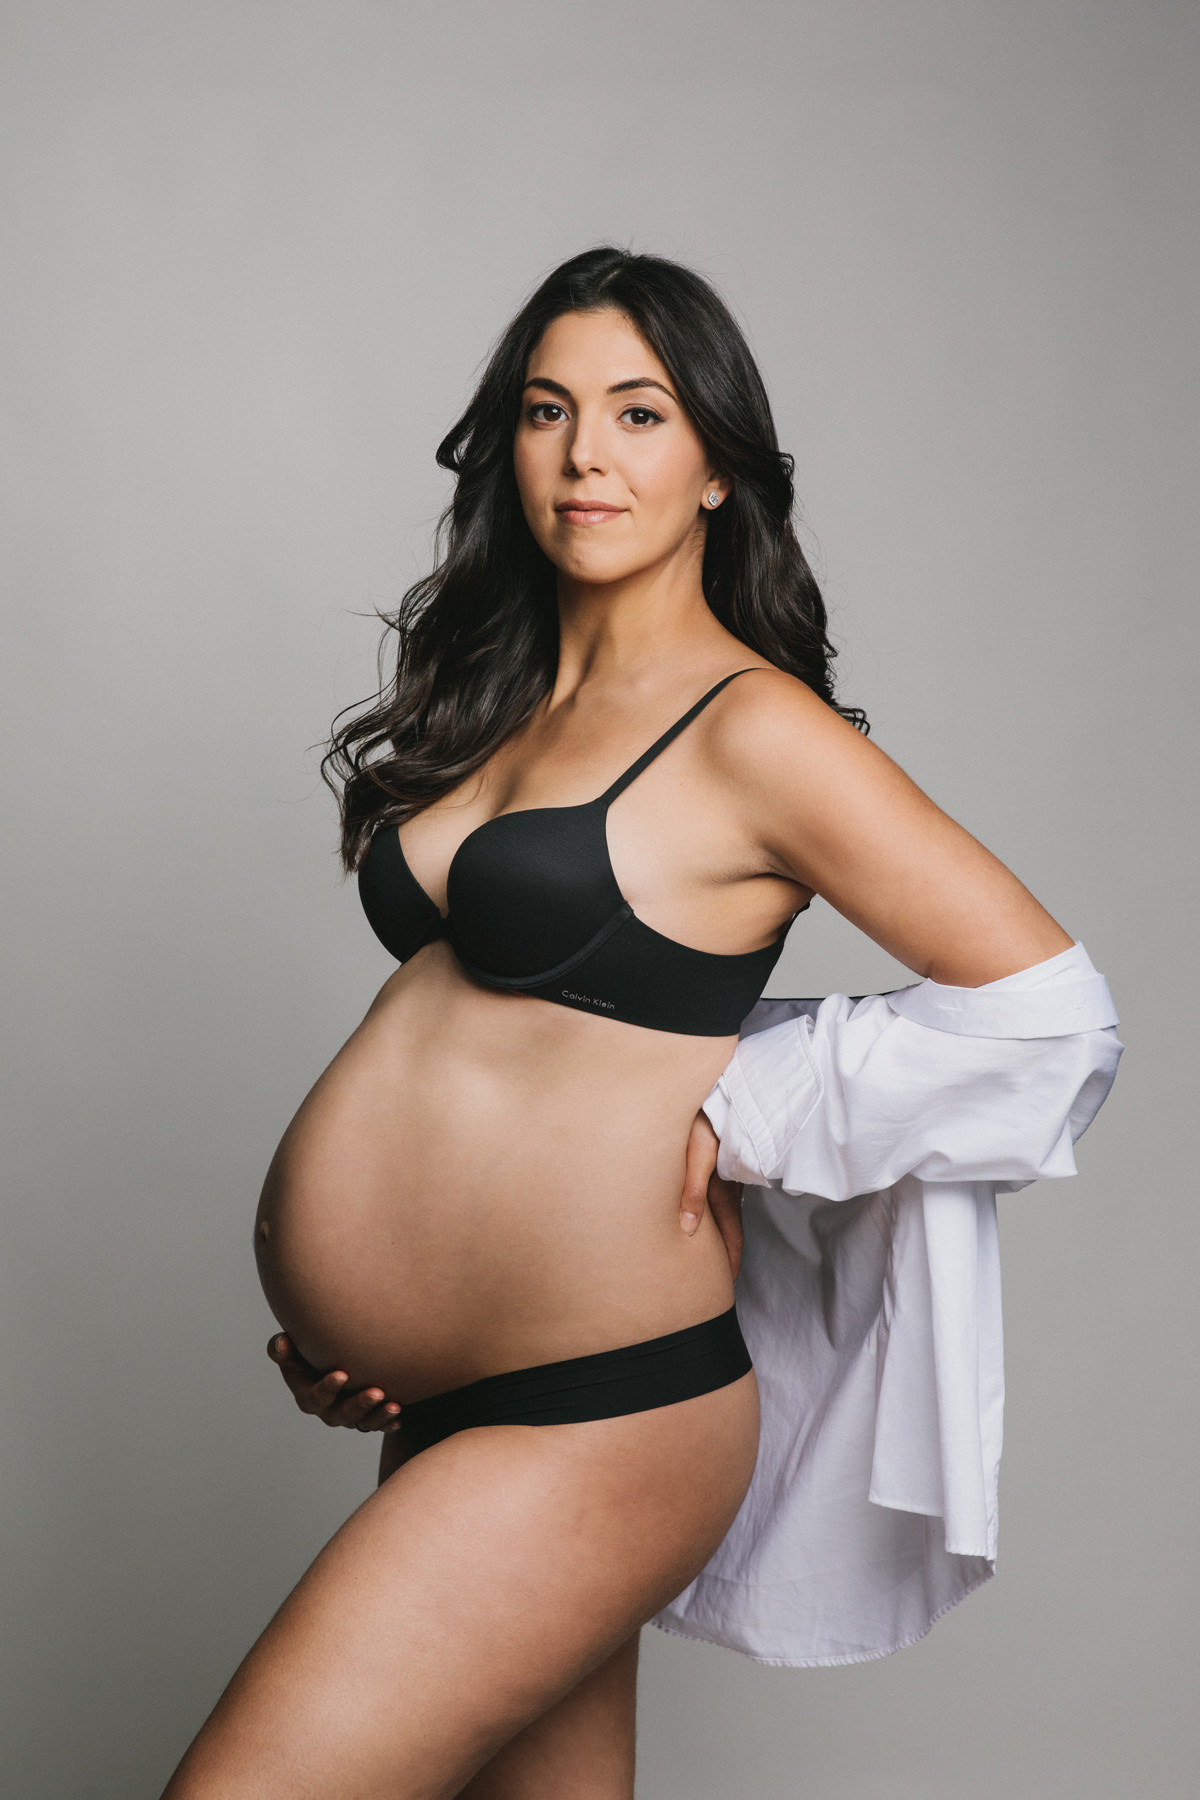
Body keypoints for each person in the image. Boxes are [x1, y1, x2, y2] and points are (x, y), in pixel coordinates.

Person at [162, 247, 1117, 1797]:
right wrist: (362, 1321)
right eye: (547, 411)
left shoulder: (755, 729)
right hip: (444, 1400)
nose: (585, 454)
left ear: (719, 465)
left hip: (599, 1411)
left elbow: (1050, 1020)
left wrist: (758, 1101)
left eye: (638, 412)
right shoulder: (499, 692)